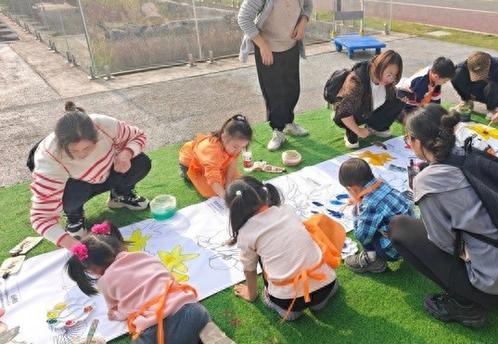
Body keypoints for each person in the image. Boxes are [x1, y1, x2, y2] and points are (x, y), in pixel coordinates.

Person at [389, 105, 498, 328]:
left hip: (492, 288)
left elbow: (443, 242)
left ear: (419, 141)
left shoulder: (427, 181)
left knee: (399, 227)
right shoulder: (470, 152)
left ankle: (464, 305)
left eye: (408, 138)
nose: (408, 143)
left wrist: (422, 196)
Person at [66, 222, 216, 344]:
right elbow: (168, 278)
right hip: (192, 311)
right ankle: (205, 333)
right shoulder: (144, 255)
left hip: (157, 330)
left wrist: (116, 315)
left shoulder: (104, 282)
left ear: (94, 269)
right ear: (119, 245)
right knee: (196, 326)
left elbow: (119, 310)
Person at [29, 101, 150, 251]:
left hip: (107, 171)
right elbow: (41, 217)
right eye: (74, 151)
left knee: (141, 162)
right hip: (77, 187)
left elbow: (138, 136)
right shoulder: (49, 158)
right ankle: (74, 216)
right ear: (61, 145)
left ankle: (120, 195)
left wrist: (126, 154)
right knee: (73, 192)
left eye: (87, 147)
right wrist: (71, 244)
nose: (82, 154)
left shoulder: (103, 125)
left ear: (96, 137)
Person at [226, 176, 339, 321]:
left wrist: (251, 293)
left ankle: (290, 312)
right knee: (320, 297)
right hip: (326, 284)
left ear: (234, 210)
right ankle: (319, 303)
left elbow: (249, 268)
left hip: (287, 299)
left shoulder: (246, 233)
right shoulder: (286, 210)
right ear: (263, 193)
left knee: (257, 256)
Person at [237, 0, 313, 151]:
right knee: (274, 93)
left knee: (292, 89)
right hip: (268, 50)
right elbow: (244, 18)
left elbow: (308, 6)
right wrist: (262, 45)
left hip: (291, 46)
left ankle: (288, 122)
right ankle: (277, 130)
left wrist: (303, 21)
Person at [339, 158, 413, 273]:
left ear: (352, 188)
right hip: (414, 238)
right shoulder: (382, 183)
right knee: (377, 224)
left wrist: (356, 211)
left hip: (397, 248)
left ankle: (372, 260)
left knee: (368, 232)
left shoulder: (369, 204)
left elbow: (361, 235)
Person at [333, 50, 404, 149]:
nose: (391, 79)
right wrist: (358, 131)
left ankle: (376, 127)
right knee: (353, 144)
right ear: (379, 67)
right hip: (350, 113)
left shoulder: (386, 80)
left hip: (369, 110)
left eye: (395, 76)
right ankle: (351, 130)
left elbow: (393, 98)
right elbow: (343, 111)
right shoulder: (357, 79)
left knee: (399, 100)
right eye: (389, 74)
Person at [179, 114, 252, 198]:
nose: (238, 150)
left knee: (236, 181)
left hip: (217, 164)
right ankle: (185, 174)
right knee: (210, 192)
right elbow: (212, 176)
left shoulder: (234, 146)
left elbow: (232, 163)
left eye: (242, 147)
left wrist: (229, 185)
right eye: (235, 147)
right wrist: (225, 197)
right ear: (224, 137)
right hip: (192, 165)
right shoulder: (211, 149)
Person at [451, 51, 498, 124]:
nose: (478, 77)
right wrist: (466, 96)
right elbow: (455, 78)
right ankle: (467, 101)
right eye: (475, 74)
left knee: (493, 87)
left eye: (481, 75)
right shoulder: (464, 66)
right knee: (456, 75)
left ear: (489, 65)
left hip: (493, 91)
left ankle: (492, 108)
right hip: (477, 90)